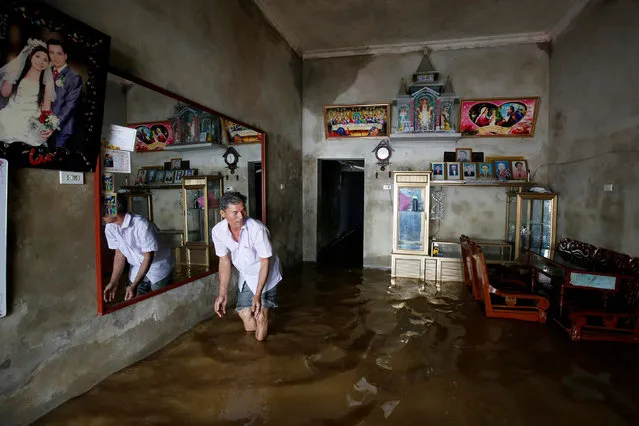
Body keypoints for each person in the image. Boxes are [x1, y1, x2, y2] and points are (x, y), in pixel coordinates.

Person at [212, 192, 282, 342]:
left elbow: (265, 262)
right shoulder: (218, 232)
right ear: (223, 213)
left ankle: (260, 348)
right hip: (246, 273)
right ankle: (254, 348)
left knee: (260, 314)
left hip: (266, 273)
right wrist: (222, 294)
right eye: (235, 212)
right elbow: (224, 261)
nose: (241, 216)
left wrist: (257, 295)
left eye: (243, 210)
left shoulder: (257, 229)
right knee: (244, 313)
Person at [103, 195, 173, 302]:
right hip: (136, 267)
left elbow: (148, 257)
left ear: (114, 211)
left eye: (104, 210)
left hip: (158, 267)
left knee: (159, 302)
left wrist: (135, 284)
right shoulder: (110, 228)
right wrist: (114, 282)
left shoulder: (141, 225)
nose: (101, 214)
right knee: (135, 302)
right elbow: (119, 254)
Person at [0, 39, 56, 146]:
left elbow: (46, 108)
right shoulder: (19, 74)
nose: (40, 61)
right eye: (38, 56)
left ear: (48, 63)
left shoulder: (47, 84)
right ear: (31, 57)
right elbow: (5, 93)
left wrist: (50, 127)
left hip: (31, 120)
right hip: (12, 113)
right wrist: (10, 76)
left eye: (45, 60)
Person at [44, 39, 83, 151]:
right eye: (52, 53)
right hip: (43, 126)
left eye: (59, 53)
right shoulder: (46, 72)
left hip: (62, 129)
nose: (55, 57)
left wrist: (53, 126)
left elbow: (69, 107)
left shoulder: (74, 77)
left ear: (65, 56)